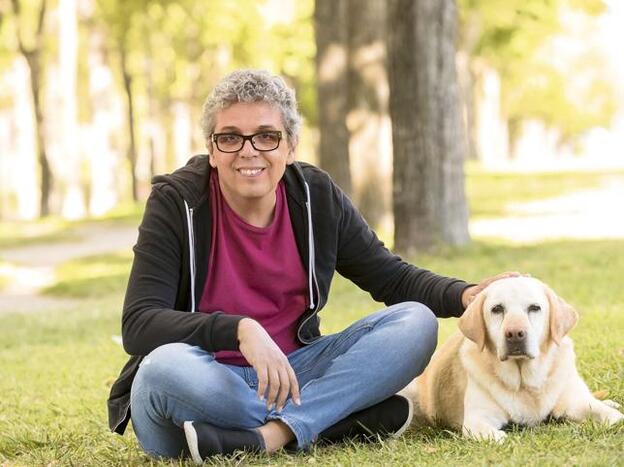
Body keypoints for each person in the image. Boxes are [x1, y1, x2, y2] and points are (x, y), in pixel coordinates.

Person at [107, 69, 517, 462]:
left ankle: (270, 437)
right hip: (206, 383)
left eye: (267, 137)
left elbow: (388, 276)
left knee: (416, 323)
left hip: (295, 374)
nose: (248, 151)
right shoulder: (176, 203)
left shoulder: (314, 196)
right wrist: (239, 330)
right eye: (230, 138)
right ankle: (332, 420)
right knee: (162, 368)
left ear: (290, 146)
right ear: (212, 151)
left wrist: (464, 295)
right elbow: (140, 323)